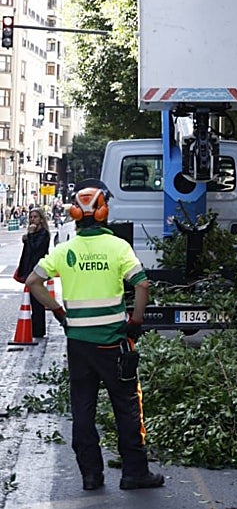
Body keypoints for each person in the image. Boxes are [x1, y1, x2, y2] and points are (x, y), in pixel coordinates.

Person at [26, 186, 164, 492]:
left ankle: (91, 475)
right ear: (104, 213)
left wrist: (59, 311)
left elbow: (33, 282)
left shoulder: (65, 251)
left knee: (83, 409)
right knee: (127, 406)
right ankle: (134, 473)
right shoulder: (118, 247)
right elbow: (142, 285)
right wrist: (136, 321)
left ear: (75, 215)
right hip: (113, 344)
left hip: (79, 346)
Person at [15, 206, 51, 338]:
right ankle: (35, 327)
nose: (32, 219)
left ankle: (38, 329)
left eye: (35, 217)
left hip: (38, 269)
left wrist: (29, 236)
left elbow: (36, 250)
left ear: (41, 219)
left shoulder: (43, 234)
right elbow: (27, 253)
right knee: (33, 299)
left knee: (37, 300)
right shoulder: (32, 234)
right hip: (30, 269)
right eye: (31, 217)